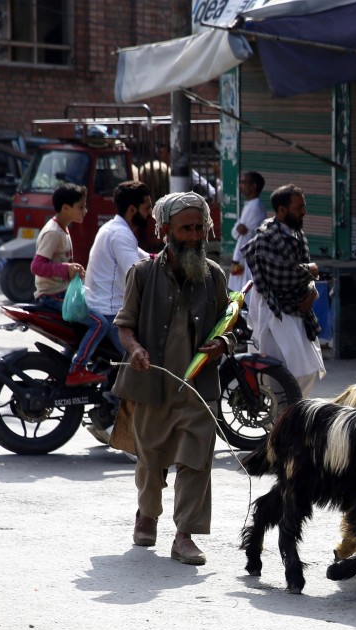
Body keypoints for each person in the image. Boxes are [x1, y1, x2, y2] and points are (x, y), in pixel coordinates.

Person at [111, 192, 234, 565]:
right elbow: (125, 326)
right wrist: (134, 350)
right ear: (165, 230)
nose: (196, 235)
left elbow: (228, 325)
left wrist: (223, 342)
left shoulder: (214, 276)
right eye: (187, 228)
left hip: (198, 389)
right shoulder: (143, 274)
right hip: (153, 386)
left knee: (197, 461)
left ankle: (185, 536)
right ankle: (147, 515)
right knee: (151, 459)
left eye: (200, 227)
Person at [242, 184, 326, 397]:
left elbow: (301, 270)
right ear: (282, 210)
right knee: (278, 375)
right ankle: (279, 423)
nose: (304, 212)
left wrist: (312, 293)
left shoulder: (297, 234)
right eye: (299, 208)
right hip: (274, 314)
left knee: (306, 372)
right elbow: (283, 276)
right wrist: (311, 270)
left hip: (298, 313)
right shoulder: (265, 238)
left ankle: (291, 418)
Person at [30, 183, 112, 387]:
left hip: (62, 292)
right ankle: (77, 369)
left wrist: (72, 270)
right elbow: (37, 265)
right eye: (81, 206)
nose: (85, 211)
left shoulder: (63, 229)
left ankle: (67, 364)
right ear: (66, 208)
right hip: (52, 296)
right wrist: (66, 269)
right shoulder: (54, 233)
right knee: (100, 323)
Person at [85, 180, 151, 352]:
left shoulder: (113, 228)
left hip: (100, 305)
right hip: (111, 312)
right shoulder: (121, 234)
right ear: (132, 210)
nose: (150, 214)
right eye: (147, 208)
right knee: (144, 366)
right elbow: (136, 275)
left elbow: (142, 256)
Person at [227, 171, 266, 294]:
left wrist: (236, 259)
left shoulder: (256, 207)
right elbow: (235, 231)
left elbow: (245, 235)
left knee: (245, 293)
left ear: (253, 186)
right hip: (243, 257)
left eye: (243, 182)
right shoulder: (249, 205)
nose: (240, 186)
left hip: (247, 257)